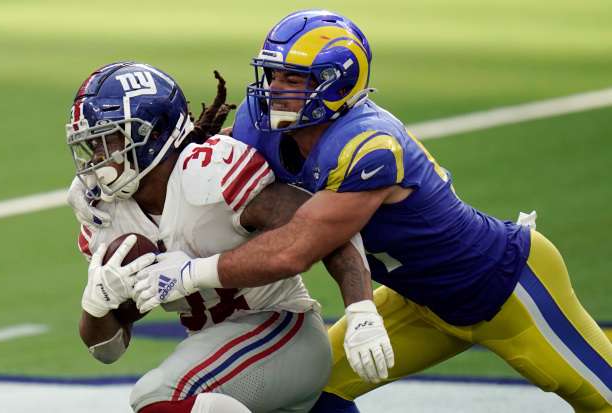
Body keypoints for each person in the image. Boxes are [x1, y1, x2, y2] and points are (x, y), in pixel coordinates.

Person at [128, 10, 611, 413]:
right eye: (272, 74)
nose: (275, 88)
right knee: (309, 391)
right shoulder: (263, 120)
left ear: (336, 84)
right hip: (418, 301)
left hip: (504, 289)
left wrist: (192, 273)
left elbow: (296, 248)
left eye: (293, 78)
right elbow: (216, 187)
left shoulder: (369, 145)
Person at [66, 61, 392, 413]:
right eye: (91, 144)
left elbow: (326, 228)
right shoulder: (103, 210)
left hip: (282, 329)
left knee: (160, 397)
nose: (97, 158)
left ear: (155, 134)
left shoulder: (210, 173)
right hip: (222, 352)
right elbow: (107, 350)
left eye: (108, 140)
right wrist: (96, 304)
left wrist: (360, 309)